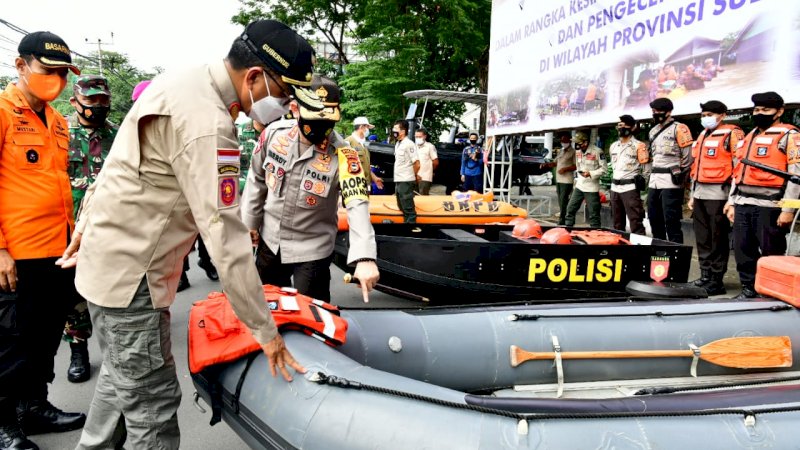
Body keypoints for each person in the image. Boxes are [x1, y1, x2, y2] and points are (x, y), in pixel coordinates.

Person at [58, 20, 321, 449]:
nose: (287, 105)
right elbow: (227, 241)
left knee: (118, 384)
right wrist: (266, 334)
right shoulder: (210, 125)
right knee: (153, 412)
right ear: (254, 77)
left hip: (108, 264)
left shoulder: (181, 80)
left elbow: (114, 166)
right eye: (285, 93)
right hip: (132, 280)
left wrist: (86, 225)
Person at [0, 30, 87, 450]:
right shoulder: (1, 110)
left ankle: (34, 406)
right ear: (21, 66)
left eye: (62, 73)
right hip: (15, 254)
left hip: (57, 251)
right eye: (48, 70)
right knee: (10, 343)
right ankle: (3, 423)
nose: (56, 79)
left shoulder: (57, 120)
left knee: (46, 337)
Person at [242, 75, 379, 303]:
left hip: (312, 248)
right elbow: (256, 178)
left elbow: (357, 203)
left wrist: (364, 257)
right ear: (295, 109)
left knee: (312, 316)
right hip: (270, 240)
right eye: (315, 118)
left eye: (329, 120)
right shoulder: (274, 135)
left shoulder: (345, 155)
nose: (322, 127)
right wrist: (249, 223)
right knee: (264, 310)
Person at [64, 75, 118, 384]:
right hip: (71, 227)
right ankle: (78, 349)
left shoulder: (120, 136)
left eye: (103, 101)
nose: (98, 106)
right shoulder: (62, 135)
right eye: (91, 100)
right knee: (74, 294)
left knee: (110, 290)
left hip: (111, 227)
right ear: (75, 102)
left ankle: (115, 350)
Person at [725, 91, 800, 299]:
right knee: (742, 250)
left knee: (771, 253)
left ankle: (773, 294)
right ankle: (748, 289)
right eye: (757, 110)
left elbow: (796, 176)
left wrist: (788, 210)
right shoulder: (748, 137)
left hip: (771, 205)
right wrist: (731, 202)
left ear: (779, 112)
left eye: (766, 110)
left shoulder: (790, 136)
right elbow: (737, 172)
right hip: (743, 203)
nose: (760, 113)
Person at [687, 101, 743, 296]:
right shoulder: (702, 135)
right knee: (702, 237)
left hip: (719, 193)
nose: (705, 118)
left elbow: (739, 168)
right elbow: (696, 167)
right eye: (703, 114)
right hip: (701, 192)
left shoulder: (732, 134)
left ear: (722, 115)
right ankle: (705, 275)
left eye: (710, 114)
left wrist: (732, 199)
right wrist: (692, 195)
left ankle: (716, 279)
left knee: (717, 237)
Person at [646, 97, 693, 243]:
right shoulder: (653, 131)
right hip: (654, 181)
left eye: (659, 111)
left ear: (669, 112)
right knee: (654, 218)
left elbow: (688, 158)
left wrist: (680, 177)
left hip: (671, 181)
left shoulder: (679, 128)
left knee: (671, 220)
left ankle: (675, 253)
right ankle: (659, 250)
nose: (655, 114)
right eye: (654, 111)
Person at [609, 115, 649, 235]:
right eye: (619, 125)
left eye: (624, 125)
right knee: (617, 222)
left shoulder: (639, 146)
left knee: (635, 221)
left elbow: (646, 170)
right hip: (614, 188)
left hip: (630, 188)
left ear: (632, 127)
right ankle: (620, 249)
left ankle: (639, 250)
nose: (621, 128)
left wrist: (642, 187)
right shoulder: (614, 146)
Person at [564, 131, 607, 228]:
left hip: (591, 188)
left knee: (593, 214)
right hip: (579, 185)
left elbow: (604, 169)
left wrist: (591, 173)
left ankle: (596, 234)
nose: (576, 145)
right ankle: (568, 229)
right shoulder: (578, 152)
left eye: (578, 142)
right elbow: (578, 167)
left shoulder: (597, 151)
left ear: (585, 142)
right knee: (570, 209)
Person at [345, 116, 383, 191]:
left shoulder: (364, 144)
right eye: (367, 127)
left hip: (366, 185)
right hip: (354, 187)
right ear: (362, 127)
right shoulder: (348, 142)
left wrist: (374, 178)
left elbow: (366, 166)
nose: (368, 130)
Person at [392, 119, 419, 222]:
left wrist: (414, 176)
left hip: (406, 179)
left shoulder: (409, 144)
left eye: (396, 129)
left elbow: (417, 163)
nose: (393, 130)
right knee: (401, 205)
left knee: (408, 206)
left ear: (403, 131)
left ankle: (411, 229)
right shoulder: (398, 144)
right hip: (398, 179)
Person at [549, 133, 576, 225]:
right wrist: (546, 165)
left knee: (564, 199)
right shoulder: (561, 151)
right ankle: (563, 217)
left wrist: (565, 169)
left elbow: (576, 166)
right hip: (559, 179)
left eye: (565, 141)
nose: (563, 143)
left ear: (569, 141)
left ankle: (563, 219)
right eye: (562, 141)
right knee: (560, 200)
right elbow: (555, 162)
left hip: (567, 180)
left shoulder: (573, 152)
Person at [414, 128, 438, 195]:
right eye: (416, 137)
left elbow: (435, 162)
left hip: (425, 177)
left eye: (420, 136)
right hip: (413, 176)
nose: (418, 138)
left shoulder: (430, 146)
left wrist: (429, 171)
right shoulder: (413, 147)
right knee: (413, 198)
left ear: (424, 136)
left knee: (423, 197)